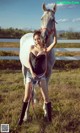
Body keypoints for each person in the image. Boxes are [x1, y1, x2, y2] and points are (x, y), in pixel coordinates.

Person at [18, 29, 57, 125]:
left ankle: (50, 120)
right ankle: (21, 119)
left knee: (46, 97)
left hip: (41, 76)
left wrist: (54, 31)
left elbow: (55, 42)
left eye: (38, 39)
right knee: (26, 97)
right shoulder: (31, 47)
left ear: (41, 39)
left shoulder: (45, 49)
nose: (36, 41)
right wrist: (31, 72)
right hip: (30, 75)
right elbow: (28, 61)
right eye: (35, 39)